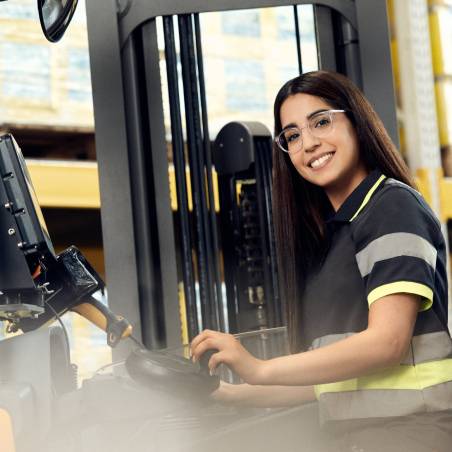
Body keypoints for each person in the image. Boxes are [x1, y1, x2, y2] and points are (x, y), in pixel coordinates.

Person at [190, 71, 452, 451]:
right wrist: (226, 393)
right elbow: (329, 382)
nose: (309, 143)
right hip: (362, 439)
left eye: (321, 122)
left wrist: (260, 368)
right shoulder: (334, 238)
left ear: (357, 125)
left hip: (412, 434)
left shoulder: (391, 207)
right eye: (293, 135)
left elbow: (387, 342)